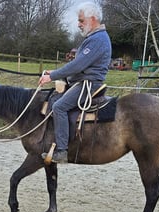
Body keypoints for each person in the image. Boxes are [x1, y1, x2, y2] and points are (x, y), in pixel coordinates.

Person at [38, 1, 112, 163]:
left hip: (89, 84)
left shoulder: (97, 39)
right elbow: (78, 64)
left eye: (81, 21)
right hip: (83, 81)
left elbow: (78, 65)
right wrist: (56, 73)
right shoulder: (95, 37)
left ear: (92, 19)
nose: (78, 24)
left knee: (59, 107)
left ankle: (62, 151)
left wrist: (53, 76)